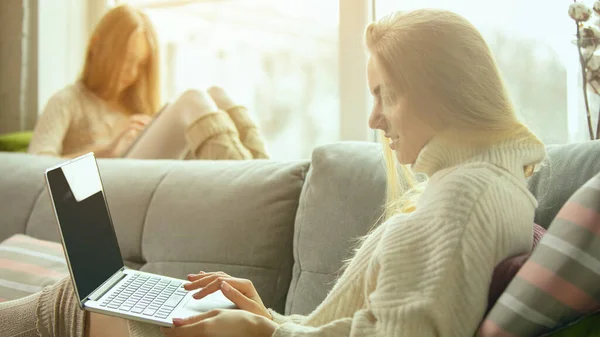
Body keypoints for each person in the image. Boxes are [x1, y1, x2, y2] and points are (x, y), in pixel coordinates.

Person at [1, 8, 546, 337]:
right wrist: (267, 319)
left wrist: (264, 332)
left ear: (444, 92)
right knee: (85, 294)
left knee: (73, 302)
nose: (374, 118)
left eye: (388, 95)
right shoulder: (486, 185)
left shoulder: (468, 197)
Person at [27, 4, 268, 161]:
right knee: (192, 100)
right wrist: (108, 151)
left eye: (140, 64)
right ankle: (248, 184)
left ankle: (265, 172)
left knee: (217, 95)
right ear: (97, 46)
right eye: (125, 60)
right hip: (110, 187)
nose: (131, 72)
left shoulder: (135, 104)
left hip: (147, 179)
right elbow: (34, 167)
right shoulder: (68, 101)